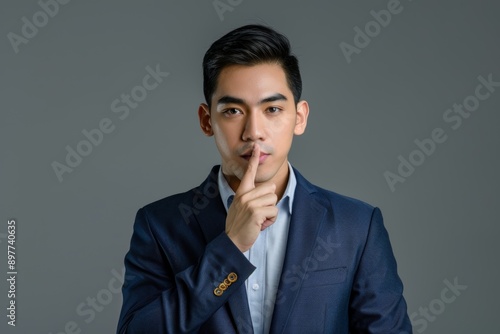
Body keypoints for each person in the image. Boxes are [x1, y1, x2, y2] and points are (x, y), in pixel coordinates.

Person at [117, 24, 412, 334]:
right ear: (207, 121)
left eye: (272, 108)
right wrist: (229, 249)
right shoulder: (160, 225)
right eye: (233, 110)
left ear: (299, 118)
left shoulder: (356, 226)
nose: (253, 131)